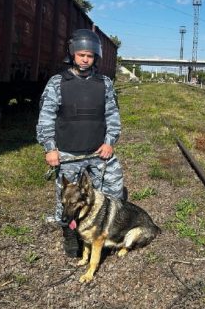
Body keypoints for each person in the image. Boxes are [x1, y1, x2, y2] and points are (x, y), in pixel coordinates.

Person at [36, 28, 124, 257]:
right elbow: (46, 117)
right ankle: (71, 238)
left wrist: (109, 142)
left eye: (90, 55)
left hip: (99, 152)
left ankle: (107, 233)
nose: (85, 59)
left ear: (96, 57)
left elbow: (112, 116)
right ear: (72, 54)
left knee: (113, 192)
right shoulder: (57, 83)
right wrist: (50, 148)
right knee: (66, 200)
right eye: (81, 54)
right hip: (68, 154)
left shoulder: (104, 83)